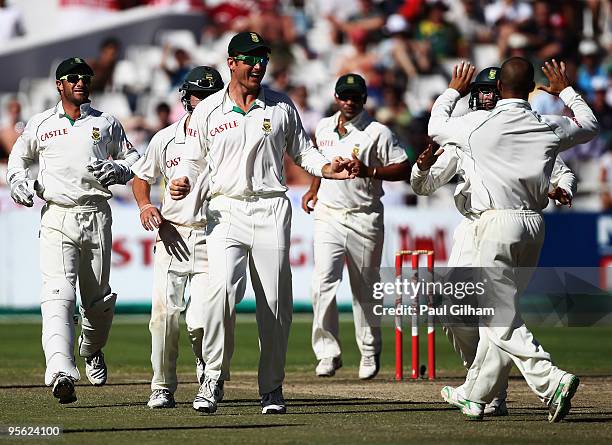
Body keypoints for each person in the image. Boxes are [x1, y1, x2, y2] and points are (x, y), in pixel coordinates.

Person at [169, 31, 356, 415]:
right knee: (218, 295)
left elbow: (303, 152)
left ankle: (271, 387)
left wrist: (327, 168)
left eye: (263, 59)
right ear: (231, 62)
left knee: (274, 305)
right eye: (250, 59)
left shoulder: (281, 106)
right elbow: (192, 158)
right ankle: (212, 379)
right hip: (225, 210)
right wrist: (182, 178)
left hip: (271, 208)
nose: (258, 65)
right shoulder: (207, 111)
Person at [427, 58, 599, 422]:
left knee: (496, 316)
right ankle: (475, 395)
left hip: (496, 223)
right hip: (534, 226)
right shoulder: (545, 124)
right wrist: (566, 89)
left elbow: (435, 126)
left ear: (501, 88)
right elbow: (590, 124)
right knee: (501, 314)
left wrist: (453, 91)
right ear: (531, 88)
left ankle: (551, 380)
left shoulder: (476, 123)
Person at [6, 57, 139, 404]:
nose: (81, 82)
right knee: (57, 294)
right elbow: (18, 160)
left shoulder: (106, 123)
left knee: (97, 302)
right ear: (59, 84)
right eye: (73, 78)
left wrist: (119, 169)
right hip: (57, 216)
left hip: (96, 215)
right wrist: (18, 181)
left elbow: (136, 161)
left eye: (86, 77)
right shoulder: (40, 124)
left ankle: (92, 349)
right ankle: (61, 370)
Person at [301, 73, 410, 379]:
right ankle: (327, 352)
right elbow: (317, 160)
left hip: (364, 215)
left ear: (364, 99)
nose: (349, 102)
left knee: (364, 290)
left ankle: (369, 351)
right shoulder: (323, 126)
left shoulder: (378, 132)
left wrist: (370, 170)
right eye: (344, 96)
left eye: (355, 97)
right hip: (329, 214)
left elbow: (403, 167)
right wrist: (313, 188)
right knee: (322, 283)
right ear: (336, 97)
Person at [131, 66, 224, 409]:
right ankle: (162, 386)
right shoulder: (166, 138)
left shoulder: (227, 137)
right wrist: (145, 206)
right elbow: (141, 177)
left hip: (214, 236)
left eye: (212, 97)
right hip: (171, 235)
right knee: (164, 316)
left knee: (200, 321)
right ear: (186, 98)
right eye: (199, 96)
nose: (205, 104)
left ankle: (208, 373)